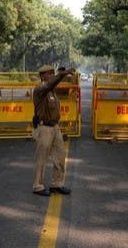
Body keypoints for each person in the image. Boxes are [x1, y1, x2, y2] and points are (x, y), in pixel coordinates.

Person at [32, 64, 75, 196]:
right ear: (42, 76)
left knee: (60, 156)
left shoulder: (52, 91)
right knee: (41, 158)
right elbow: (50, 84)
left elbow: (56, 84)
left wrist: (62, 75)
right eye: (48, 73)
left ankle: (57, 184)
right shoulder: (40, 89)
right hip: (44, 127)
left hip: (55, 127)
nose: (51, 75)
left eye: (52, 73)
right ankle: (37, 186)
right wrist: (61, 75)